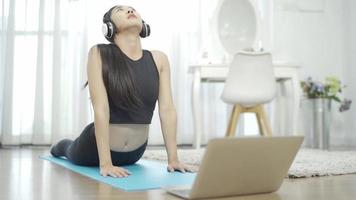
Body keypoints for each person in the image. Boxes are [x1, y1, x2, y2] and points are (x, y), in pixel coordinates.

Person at [50, 5, 195, 178]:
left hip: (134, 154)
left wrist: (173, 159)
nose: (129, 11)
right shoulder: (99, 53)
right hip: (93, 149)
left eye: (133, 9)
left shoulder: (159, 59)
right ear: (109, 27)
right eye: (120, 10)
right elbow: (101, 108)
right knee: (67, 148)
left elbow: (167, 110)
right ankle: (59, 146)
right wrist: (106, 164)